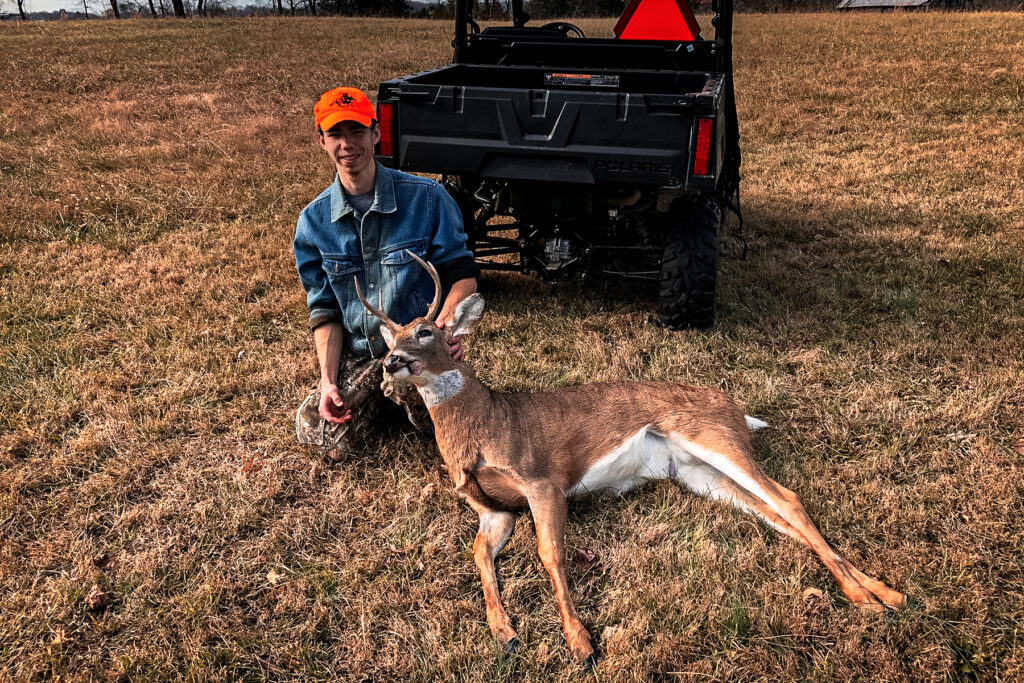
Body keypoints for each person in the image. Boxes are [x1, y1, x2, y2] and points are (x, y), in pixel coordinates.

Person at [293, 86, 479, 456]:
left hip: (419, 346)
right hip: (364, 350)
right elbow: (324, 310)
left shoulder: (427, 198)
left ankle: (415, 404)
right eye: (336, 134)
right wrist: (327, 382)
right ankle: (389, 403)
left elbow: (463, 275)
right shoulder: (313, 223)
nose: (348, 144)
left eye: (357, 131)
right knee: (326, 437)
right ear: (321, 140)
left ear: (375, 133)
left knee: (447, 422)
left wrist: (441, 332)